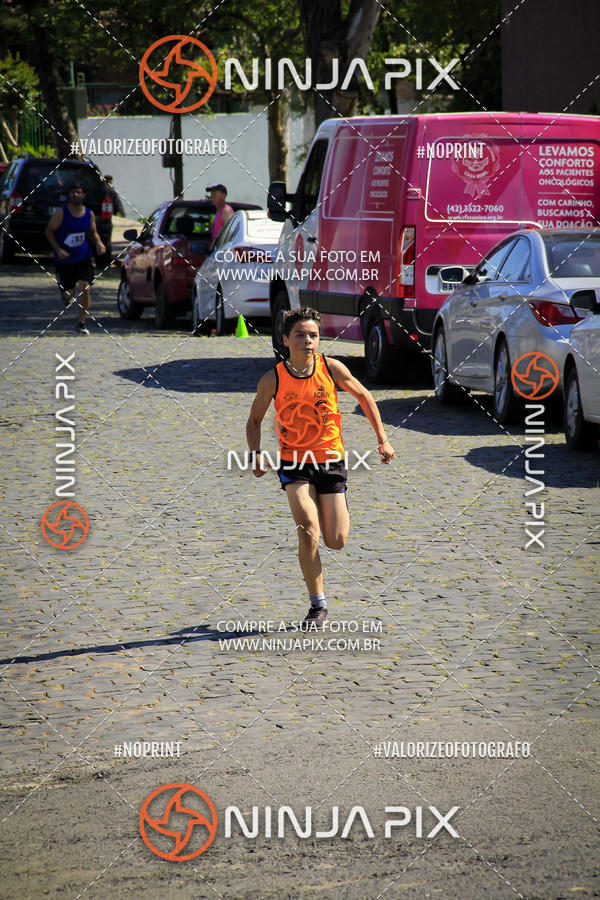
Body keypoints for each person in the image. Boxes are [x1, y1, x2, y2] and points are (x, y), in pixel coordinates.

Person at [246, 307, 395, 629]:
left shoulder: (332, 368)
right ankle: (318, 605)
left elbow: (364, 396)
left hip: (330, 460)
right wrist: (256, 454)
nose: (308, 341)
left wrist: (382, 439)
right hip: (294, 462)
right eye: (300, 335)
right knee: (308, 529)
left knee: (336, 540)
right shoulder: (273, 378)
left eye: (313, 335)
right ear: (285, 340)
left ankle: (332, 517)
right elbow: (255, 420)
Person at [44, 182, 105, 334]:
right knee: (69, 294)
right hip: (64, 259)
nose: (76, 195)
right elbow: (49, 231)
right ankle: (65, 297)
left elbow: (93, 232)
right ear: (69, 195)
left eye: (78, 192)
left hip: (83, 256)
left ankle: (82, 323)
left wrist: (99, 243)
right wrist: (58, 249)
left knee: (85, 288)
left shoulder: (88, 214)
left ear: (83, 195)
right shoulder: (62, 213)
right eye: (73, 192)